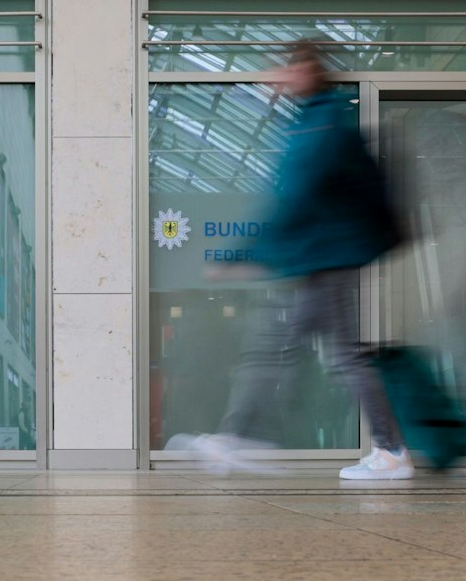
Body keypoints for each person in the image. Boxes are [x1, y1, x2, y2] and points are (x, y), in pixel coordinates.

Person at [168, 42, 411, 480]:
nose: (275, 79)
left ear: (305, 71)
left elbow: (293, 197)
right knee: (283, 350)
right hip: (321, 258)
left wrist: (243, 253)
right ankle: (238, 435)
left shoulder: (322, 123)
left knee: (320, 355)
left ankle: (390, 450)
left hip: (326, 259)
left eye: (286, 69)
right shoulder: (314, 119)